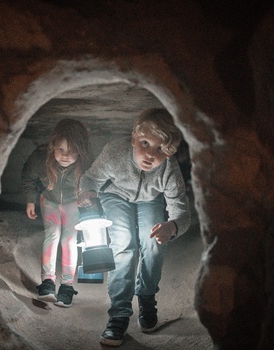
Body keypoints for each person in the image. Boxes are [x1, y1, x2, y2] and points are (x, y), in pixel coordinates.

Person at [77, 108, 191, 346]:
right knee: (124, 244)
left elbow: (182, 213)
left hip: (150, 199)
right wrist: (86, 191)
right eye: (145, 143)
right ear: (133, 138)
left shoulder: (168, 169)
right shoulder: (115, 152)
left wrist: (171, 226)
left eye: (160, 149)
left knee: (154, 243)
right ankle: (118, 315)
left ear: (169, 152)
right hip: (115, 196)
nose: (150, 155)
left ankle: (147, 298)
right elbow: (91, 178)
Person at [21, 118, 91, 308]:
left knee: (69, 240)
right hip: (49, 200)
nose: (65, 156)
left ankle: (67, 286)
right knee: (52, 235)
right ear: (53, 146)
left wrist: (91, 206)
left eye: (71, 151)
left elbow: (94, 184)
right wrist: (30, 200)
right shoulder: (40, 159)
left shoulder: (85, 165)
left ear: (81, 150)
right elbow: (28, 176)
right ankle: (48, 282)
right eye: (60, 150)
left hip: (72, 203)